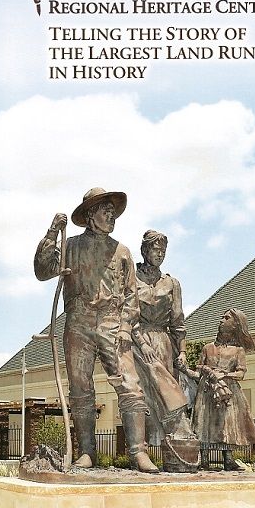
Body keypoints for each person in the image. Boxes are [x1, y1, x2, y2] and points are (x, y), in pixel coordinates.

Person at [34, 187, 158, 473]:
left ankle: (139, 452)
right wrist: (52, 233)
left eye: (113, 212)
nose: (111, 216)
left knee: (130, 386)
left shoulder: (122, 251)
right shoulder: (71, 246)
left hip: (113, 324)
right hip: (78, 323)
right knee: (80, 389)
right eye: (105, 211)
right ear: (91, 215)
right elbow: (42, 270)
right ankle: (87, 451)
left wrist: (126, 328)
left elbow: (131, 296)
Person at [132, 230, 196, 448]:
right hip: (137, 343)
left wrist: (184, 352)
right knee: (141, 395)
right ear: (144, 251)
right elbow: (127, 316)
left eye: (163, 251)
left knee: (168, 393)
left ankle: (175, 443)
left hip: (164, 343)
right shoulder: (131, 279)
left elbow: (178, 321)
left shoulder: (171, 283)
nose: (159, 254)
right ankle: (141, 448)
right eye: (155, 249)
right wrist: (141, 342)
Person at [193, 308, 255, 470]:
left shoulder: (238, 351)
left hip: (228, 391)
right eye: (222, 317)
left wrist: (224, 375)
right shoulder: (207, 348)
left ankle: (228, 460)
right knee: (204, 422)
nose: (221, 320)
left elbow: (241, 373)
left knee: (227, 423)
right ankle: (204, 460)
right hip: (207, 390)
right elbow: (197, 373)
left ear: (235, 325)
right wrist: (188, 370)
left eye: (226, 318)